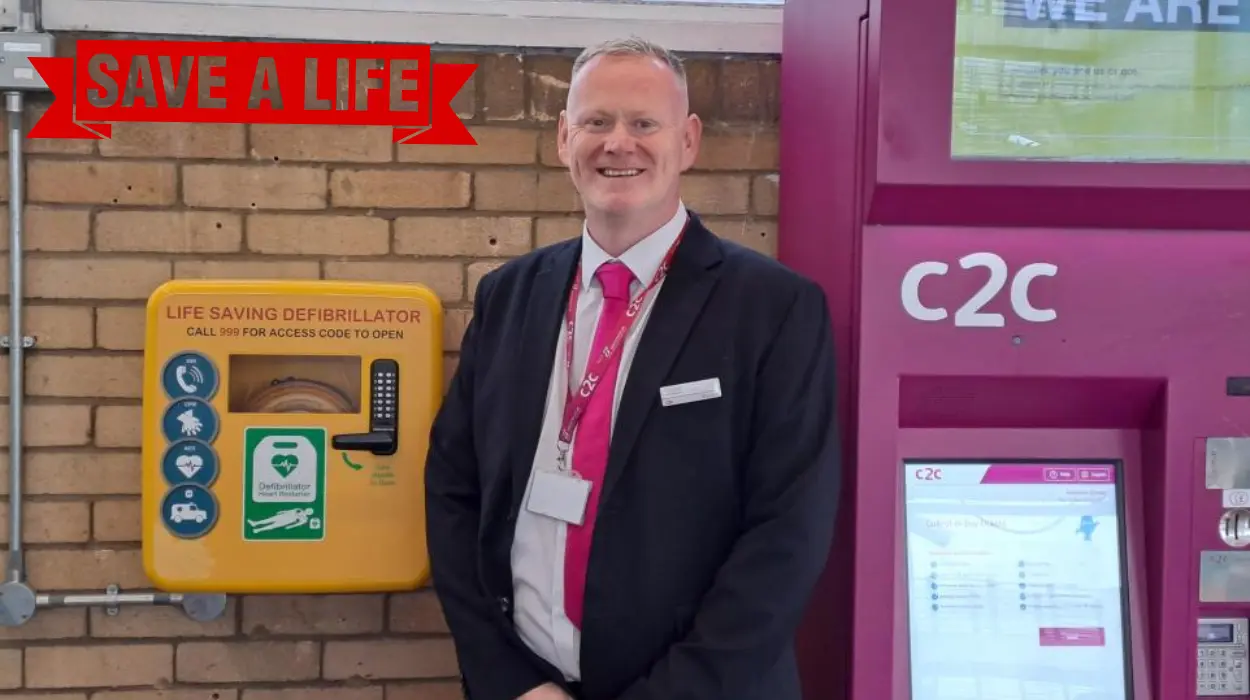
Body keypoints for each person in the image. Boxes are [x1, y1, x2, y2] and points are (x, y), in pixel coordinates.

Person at [424, 37, 841, 700]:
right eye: (596, 121)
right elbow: (453, 489)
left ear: (689, 141)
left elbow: (787, 535)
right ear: (564, 139)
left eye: (644, 123)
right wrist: (511, 681)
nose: (619, 143)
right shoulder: (510, 295)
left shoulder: (774, 310)